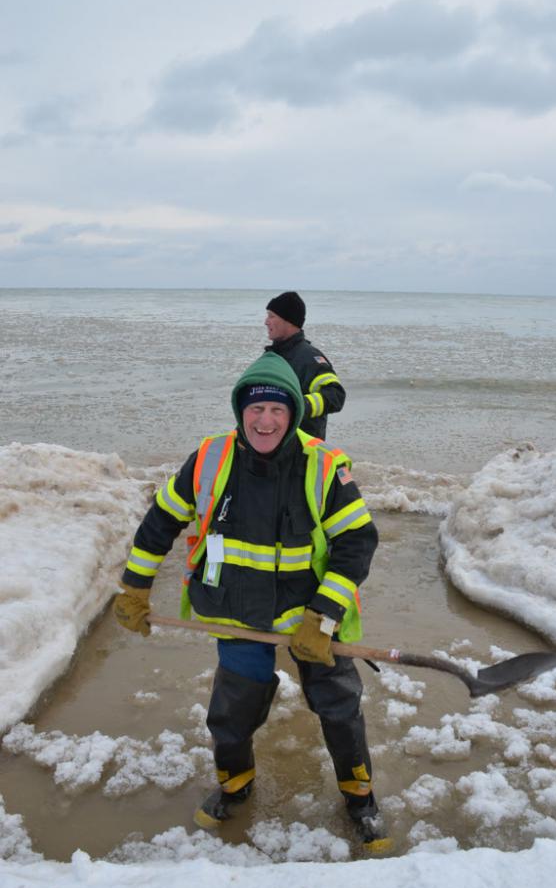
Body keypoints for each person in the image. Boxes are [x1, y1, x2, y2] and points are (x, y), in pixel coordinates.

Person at [111, 351, 390, 852]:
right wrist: (135, 586)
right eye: (256, 409)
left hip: (309, 617)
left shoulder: (323, 465)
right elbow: (161, 521)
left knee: (340, 707)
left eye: (277, 410)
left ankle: (360, 797)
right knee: (231, 713)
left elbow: (357, 543)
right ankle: (234, 786)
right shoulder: (209, 459)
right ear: (241, 410)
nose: (265, 421)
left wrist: (323, 616)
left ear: (293, 415)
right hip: (237, 615)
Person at [264, 291, 345, 439]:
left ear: (288, 320)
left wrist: (299, 406)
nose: (266, 321)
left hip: (303, 450)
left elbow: (336, 396)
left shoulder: (310, 358)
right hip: (274, 447)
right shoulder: (272, 357)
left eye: (271, 316)